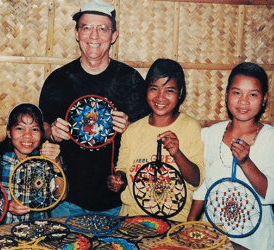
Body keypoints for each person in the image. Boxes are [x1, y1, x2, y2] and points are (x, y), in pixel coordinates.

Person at [39, 0, 151, 217]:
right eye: (87, 28)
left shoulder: (130, 80)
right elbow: (40, 128)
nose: (94, 36)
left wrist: (130, 129)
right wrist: (51, 132)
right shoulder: (58, 80)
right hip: (65, 200)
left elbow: (148, 136)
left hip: (119, 204)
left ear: (114, 35)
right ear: (76, 33)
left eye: (103, 29)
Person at [187, 62, 274, 249]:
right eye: (237, 93)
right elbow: (204, 185)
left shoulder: (270, 138)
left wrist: (245, 162)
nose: (244, 101)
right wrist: (191, 221)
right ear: (226, 95)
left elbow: (271, 193)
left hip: (256, 241)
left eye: (253, 94)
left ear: (265, 99)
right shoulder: (210, 134)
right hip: (214, 237)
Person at [107, 58, 205, 222]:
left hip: (174, 222)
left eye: (169, 91)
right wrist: (118, 179)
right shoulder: (132, 131)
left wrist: (177, 153)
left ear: (180, 93)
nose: (161, 97)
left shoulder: (190, 127)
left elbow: (196, 181)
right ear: (146, 91)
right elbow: (122, 169)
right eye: (154, 89)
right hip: (132, 220)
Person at [0, 103, 67, 224]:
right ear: (9, 132)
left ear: (41, 133)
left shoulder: (48, 157)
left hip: (35, 232)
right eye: (20, 128)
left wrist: (56, 163)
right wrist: (5, 204)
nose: (27, 135)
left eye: (34, 129)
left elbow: (61, 196)